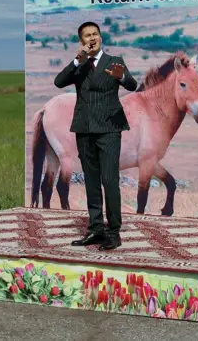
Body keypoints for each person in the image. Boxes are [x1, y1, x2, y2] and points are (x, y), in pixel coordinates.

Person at [54, 20, 137, 251]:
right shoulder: (79, 65)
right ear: (81, 41)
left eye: (95, 34)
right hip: (84, 128)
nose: (92, 38)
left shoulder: (115, 62)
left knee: (109, 180)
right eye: (87, 35)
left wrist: (121, 77)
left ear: (100, 37)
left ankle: (113, 232)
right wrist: (76, 60)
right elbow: (59, 82)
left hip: (109, 128)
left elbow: (132, 85)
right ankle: (96, 229)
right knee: (91, 181)